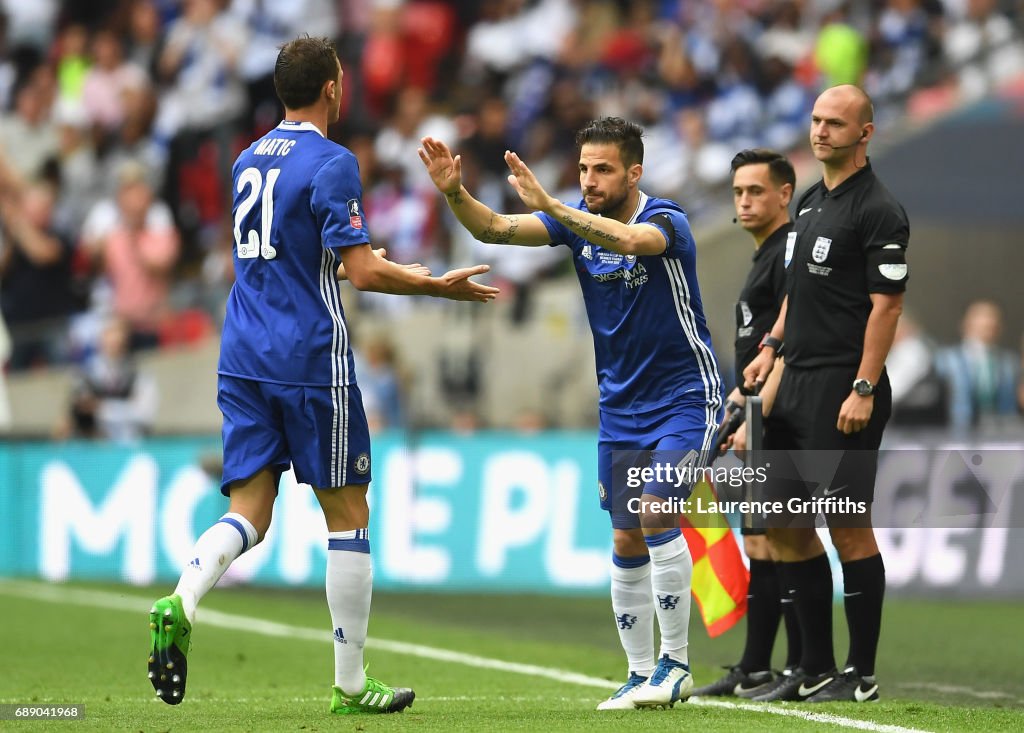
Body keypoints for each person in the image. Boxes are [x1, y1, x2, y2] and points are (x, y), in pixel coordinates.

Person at [147, 36, 498, 716]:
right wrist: (431, 284)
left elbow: (291, 257)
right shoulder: (333, 161)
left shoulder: (249, 158)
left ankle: (180, 598)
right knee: (348, 513)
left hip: (243, 352)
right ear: (335, 87)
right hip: (309, 358)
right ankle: (349, 682)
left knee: (250, 507)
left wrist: (346, 259)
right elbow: (362, 272)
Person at [419, 117, 723, 710]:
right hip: (621, 406)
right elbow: (496, 229)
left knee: (657, 508)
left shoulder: (667, 220)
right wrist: (454, 191)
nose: (591, 179)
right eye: (584, 168)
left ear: (634, 172)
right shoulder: (571, 224)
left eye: (603, 169)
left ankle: (677, 664)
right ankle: (639, 675)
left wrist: (554, 204)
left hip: (686, 396)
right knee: (625, 532)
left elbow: (631, 243)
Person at [743, 85, 909, 703]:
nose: (820, 133)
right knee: (785, 527)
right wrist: (771, 345)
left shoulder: (879, 210)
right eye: (815, 121)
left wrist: (864, 386)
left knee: (847, 527)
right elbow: (795, 294)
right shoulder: (811, 200)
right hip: (795, 382)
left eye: (835, 124)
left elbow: (887, 306)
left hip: (845, 386)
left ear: (863, 133)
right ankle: (812, 666)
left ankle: (860, 675)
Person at [693, 149, 801, 699]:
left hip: (777, 414)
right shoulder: (765, 255)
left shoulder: (790, 253)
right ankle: (758, 665)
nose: (744, 200)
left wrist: (755, 411)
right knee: (761, 541)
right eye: (738, 192)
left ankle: (800, 665)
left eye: (756, 190)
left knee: (782, 541)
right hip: (755, 411)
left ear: (785, 194)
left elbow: (790, 341)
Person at [935, 299, 1021, 433]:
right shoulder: (946, 360)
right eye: (981, 318)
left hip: (1001, 433)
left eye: (992, 320)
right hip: (958, 432)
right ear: (966, 324)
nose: (988, 322)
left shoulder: (1010, 362)